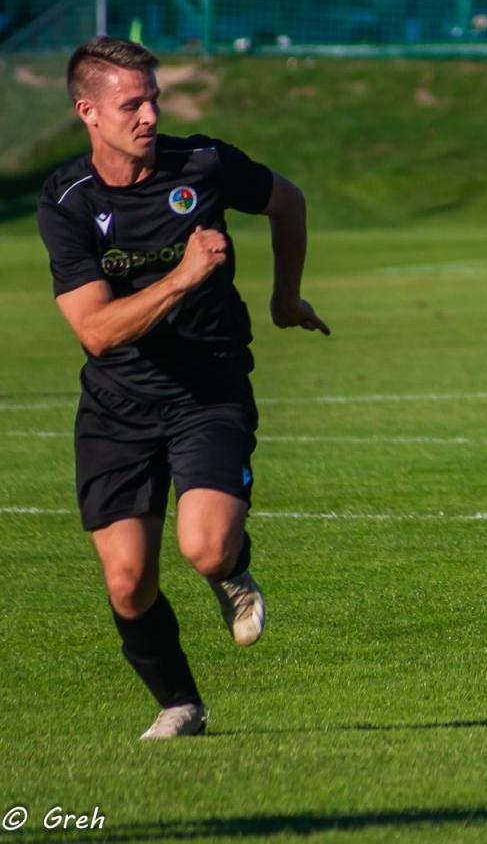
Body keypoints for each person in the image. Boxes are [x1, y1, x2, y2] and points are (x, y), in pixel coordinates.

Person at [36, 37, 329, 739]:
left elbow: (288, 203)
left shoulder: (202, 163)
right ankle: (181, 704)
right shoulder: (68, 201)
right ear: (89, 112)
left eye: (153, 99)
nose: (148, 115)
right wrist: (183, 276)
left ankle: (232, 571)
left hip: (208, 390)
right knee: (127, 582)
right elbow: (99, 333)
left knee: (205, 546)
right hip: (116, 405)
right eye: (129, 104)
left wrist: (285, 299)